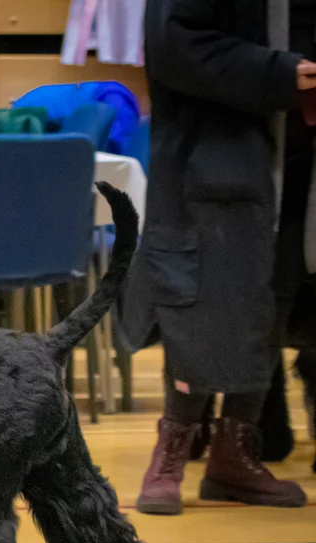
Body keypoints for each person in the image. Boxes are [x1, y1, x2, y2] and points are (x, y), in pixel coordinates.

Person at [126, 0, 312, 514]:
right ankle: (171, 451)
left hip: (295, 155)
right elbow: (174, 46)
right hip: (210, 156)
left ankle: (235, 452)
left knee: (272, 298)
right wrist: (281, 73)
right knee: (195, 301)